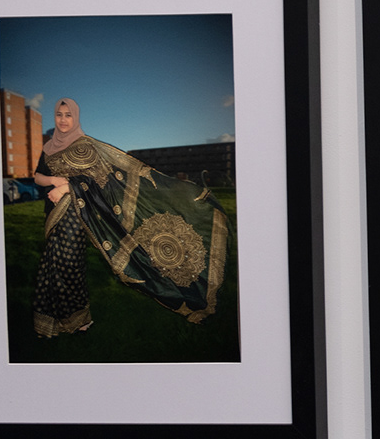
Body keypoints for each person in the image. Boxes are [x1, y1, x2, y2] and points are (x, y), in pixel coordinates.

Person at [28, 97, 233, 337]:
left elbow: (101, 181)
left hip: (77, 215)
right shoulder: (49, 148)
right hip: (52, 214)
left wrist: (67, 187)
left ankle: (76, 319)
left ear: (76, 117)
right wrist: (54, 180)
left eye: (68, 115)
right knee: (51, 265)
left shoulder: (87, 146)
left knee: (69, 265)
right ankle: (56, 321)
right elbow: (37, 176)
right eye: (59, 115)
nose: (63, 120)